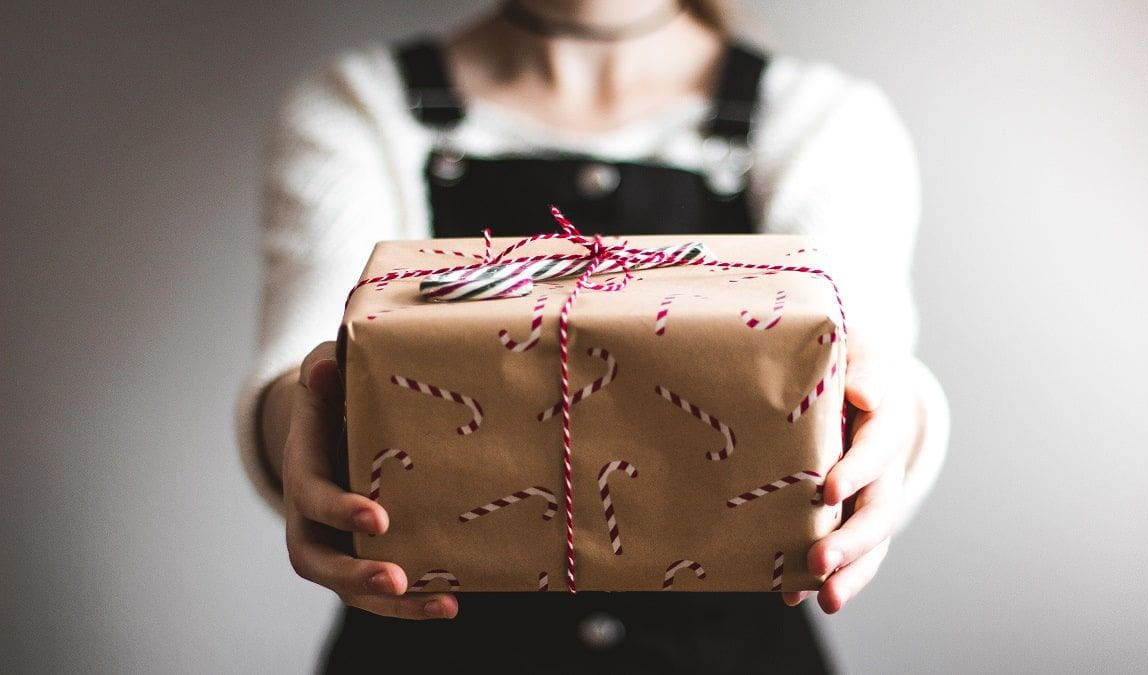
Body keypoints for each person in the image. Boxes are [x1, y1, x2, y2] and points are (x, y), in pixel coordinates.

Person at [236, 0, 950, 671]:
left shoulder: (821, 118)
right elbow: (304, 361)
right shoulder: (360, 108)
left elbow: (868, 354)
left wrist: (894, 420)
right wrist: (302, 430)